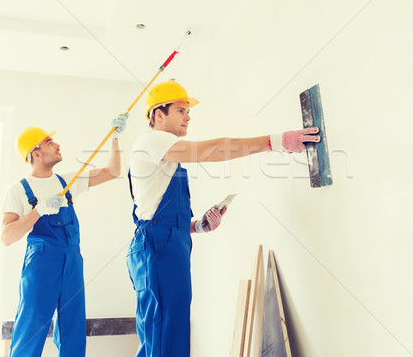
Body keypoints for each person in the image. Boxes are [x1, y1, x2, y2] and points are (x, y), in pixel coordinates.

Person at [126, 80, 320, 357]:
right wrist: (274, 142)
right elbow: (213, 150)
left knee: (171, 330)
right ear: (159, 114)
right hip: (156, 248)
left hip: (166, 244)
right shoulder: (152, 141)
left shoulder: (166, 154)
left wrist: (197, 226)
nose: (188, 116)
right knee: (163, 333)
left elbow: (154, 211)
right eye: (181, 110)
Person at [1, 114, 127, 357]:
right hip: (41, 264)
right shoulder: (18, 190)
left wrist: (115, 138)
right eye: (49, 142)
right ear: (35, 153)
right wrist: (38, 212)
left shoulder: (67, 180)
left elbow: (112, 171)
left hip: (72, 261)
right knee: (31, 328)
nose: (58, 145)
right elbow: (7, 236)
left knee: (73, 329)